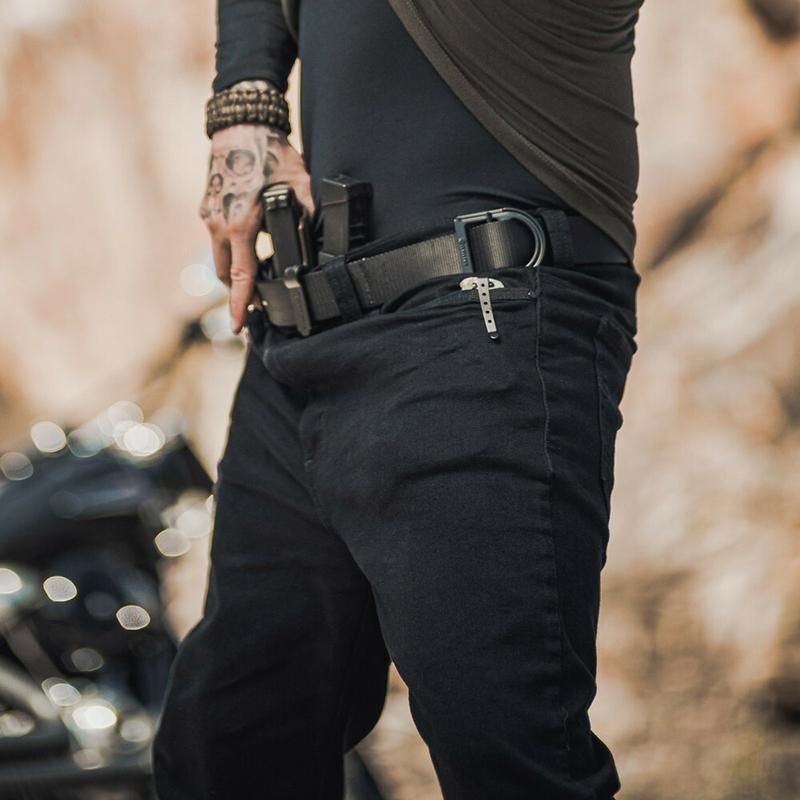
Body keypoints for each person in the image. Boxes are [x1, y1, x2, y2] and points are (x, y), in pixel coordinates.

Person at [152, 1, 645, 798]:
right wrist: (246, 102)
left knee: (509, 757)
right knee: (230, 744)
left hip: (480, 320)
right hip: (302, 332)